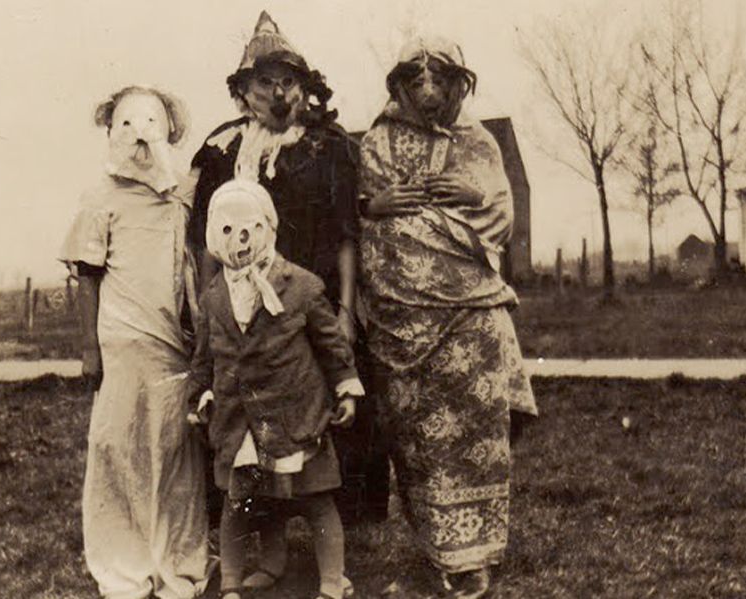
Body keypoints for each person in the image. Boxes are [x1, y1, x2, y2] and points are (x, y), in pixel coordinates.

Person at [188, 8, 389, 584]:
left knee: (319, 429)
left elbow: (349, 234)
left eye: (288, 82)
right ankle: (268, 554)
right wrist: (211, 308)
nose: (277, 94)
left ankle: (335, 562)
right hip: (243, 312)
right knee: (249, 425)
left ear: (306, 89)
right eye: (264, 83)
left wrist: (348, 310)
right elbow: (207, 236)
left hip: (310, 303)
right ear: (243, 92)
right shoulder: (222, 152)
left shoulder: (329, 148)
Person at [358, 37, 537, 598]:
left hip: (468, 311)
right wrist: (375, 207)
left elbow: (499, 214)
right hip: (399, 316)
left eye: (441, 83)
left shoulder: (479, 141)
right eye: (418, 83)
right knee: (418, 439)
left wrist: (469, 193)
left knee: (477, 433)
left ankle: (474, 557)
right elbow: (358, 212)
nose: (430, 95)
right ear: (402, 86)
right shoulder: (379, 140)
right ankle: (439, 547)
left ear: (460, 83)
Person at [59, 85, 210, 599]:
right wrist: (89, 348)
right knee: (118, 446)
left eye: (149, 124)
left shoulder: (182, 195)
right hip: (121, 340)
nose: (139, 138)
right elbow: (88, 273)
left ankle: (177, 564)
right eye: (126, 125)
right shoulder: (99, 196)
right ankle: (124, 564)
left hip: (172, 339)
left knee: (172, 449)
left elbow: (194, 261)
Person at [187, 179, 362, 599]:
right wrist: (200, 395)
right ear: (213, 236)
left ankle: (331, 580)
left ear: (269, 228)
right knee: (245, 502)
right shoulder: (214, 298)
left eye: (249, 228)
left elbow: (331, 344)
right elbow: (205, 356)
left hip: (296, 414)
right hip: (241, 419)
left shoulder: (300, 286)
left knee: (316, 499)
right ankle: (240, 578)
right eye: (226, 231)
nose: (239, 240)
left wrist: (346, 389)